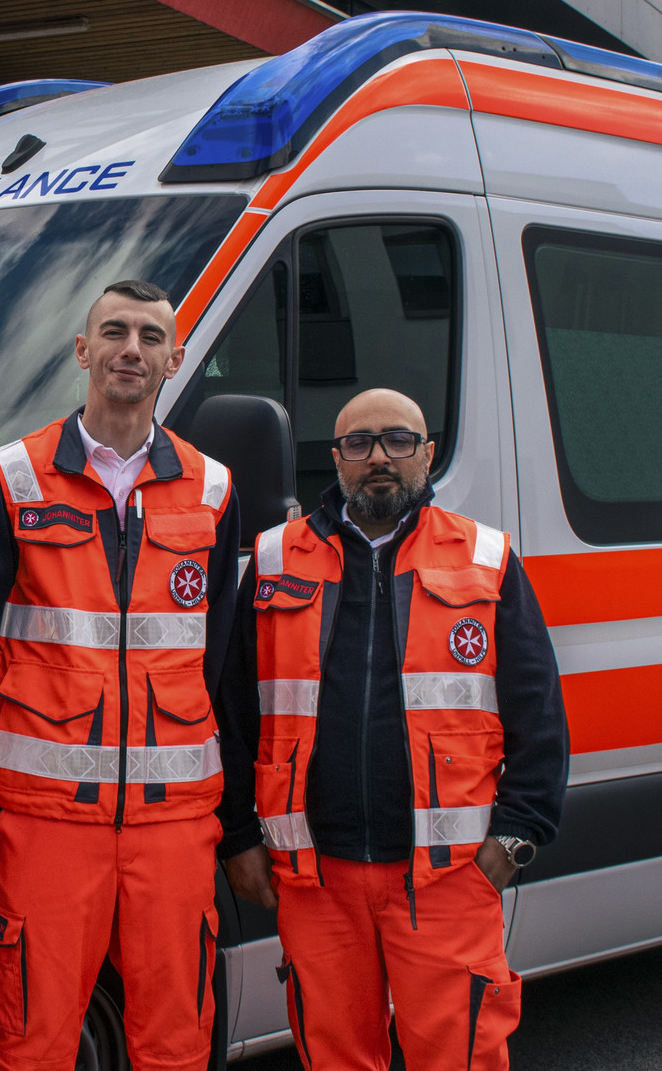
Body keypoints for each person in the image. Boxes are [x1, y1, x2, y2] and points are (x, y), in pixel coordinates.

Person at [219, 388, 568, 1071]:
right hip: (317, 884)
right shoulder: (269, 563)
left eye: (399, 440)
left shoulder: (487, 559)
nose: (379, 456)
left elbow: (541, 720)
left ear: (427, 454)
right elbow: (233, 714)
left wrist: (513, 839)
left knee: (459, 1059)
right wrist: (236, 837)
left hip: (445, 882)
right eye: (360, 442)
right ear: (336, 459)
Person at [0, 279, 242, 1071]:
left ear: (175, 358)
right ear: (83, 350)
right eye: (114, 331)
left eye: (151, 337)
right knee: (33, 1042)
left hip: (174, 825)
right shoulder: (15, 478)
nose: (132, 348)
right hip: (48, 821)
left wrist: (244, 823)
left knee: (177, 1040)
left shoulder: (213, 489)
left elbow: (219, 656)